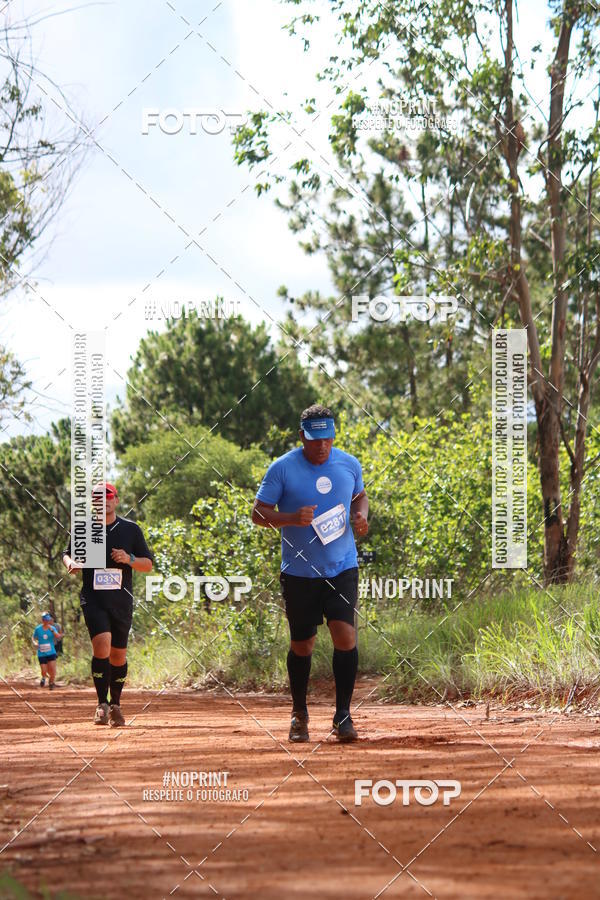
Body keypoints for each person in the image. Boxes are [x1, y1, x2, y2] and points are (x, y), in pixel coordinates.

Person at [252, 404, 369, 743]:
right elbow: (258, 513)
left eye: (328, 439)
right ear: (302, 436)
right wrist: (290, 518)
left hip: (342, 566)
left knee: (345, 637)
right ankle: (299, 713)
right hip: (300, 573)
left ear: (334, 436)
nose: (322, 446)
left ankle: (343, 716)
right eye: (315, 439)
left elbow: (360, 497)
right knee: (303, 644)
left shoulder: (349, 464)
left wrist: (361, 516)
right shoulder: (282, 469)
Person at [62, 482, 153, 727]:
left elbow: (148, 564)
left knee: (118, 656)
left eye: (108, 497)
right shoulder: (84, 529)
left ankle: (116, 705)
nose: (104, 501)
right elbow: (67, 553)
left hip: (121, 601)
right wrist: (71, 563)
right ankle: (101, 705)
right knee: (102, 645)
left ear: (116, 500)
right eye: (98, 498)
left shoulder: (131, 530)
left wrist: (129, 558)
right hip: (93, 599)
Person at [32, 612, 63, 690]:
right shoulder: (38, 629)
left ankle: (51, 683)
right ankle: (43, 677)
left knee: (52, 670)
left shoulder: (52, 628)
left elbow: (58, 637)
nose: (47, 621)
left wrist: (52, 631)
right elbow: (33, 637)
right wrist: (35, 643)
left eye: (48, 620)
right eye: (45, 620)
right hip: (41, 653)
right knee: (44, 670)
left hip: (51, 652)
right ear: (42, 620)